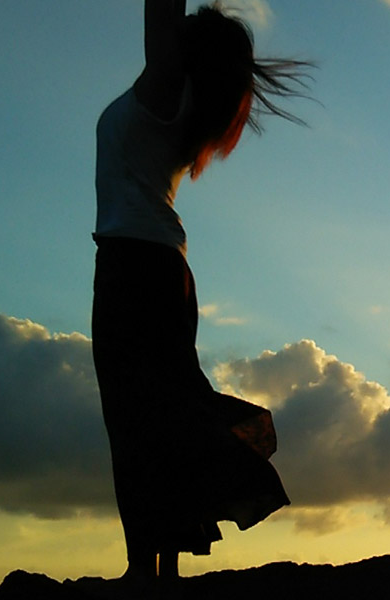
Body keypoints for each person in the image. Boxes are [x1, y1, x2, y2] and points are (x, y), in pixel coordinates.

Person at [91, 0, 311, 590]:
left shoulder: (165, 91)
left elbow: (161, 10)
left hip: (134, 264)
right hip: (157, 265)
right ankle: (160, 566)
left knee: (136, 416)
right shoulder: (182, 104)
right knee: (160, 411)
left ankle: (147, 567)